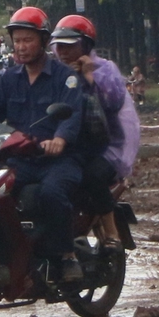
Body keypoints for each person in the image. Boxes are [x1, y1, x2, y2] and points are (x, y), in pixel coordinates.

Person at [0, 7, 89, 286]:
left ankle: (66, 256)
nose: (21, 47)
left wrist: (60, 140)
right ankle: (2, 257)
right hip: (21, 160)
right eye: (17, 41)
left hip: (59, 161)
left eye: (28, 40)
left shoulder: (67, 78)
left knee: (52, 193)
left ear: (42, 41)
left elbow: (72, 114)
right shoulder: (10, 79)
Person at [51, 14, 140, 195]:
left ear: (85, 46)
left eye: (69, 46)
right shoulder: (56, 73)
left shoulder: (105, 70)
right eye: (59, 46)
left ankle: (109, 223)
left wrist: (89, 78)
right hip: (71, 145)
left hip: (107, 146)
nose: (63, 52)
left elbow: (112, 103)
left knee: (92, 177)